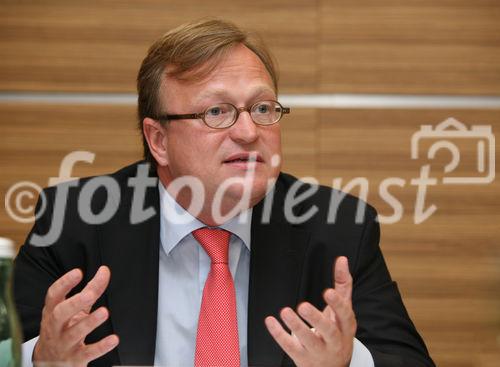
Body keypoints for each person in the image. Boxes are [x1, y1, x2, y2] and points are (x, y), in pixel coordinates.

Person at [13, 19, 435, 367]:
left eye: (263, 108)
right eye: (217, 112)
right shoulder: (76, 220)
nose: (250, 132)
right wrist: (40, 359)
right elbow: (11, 347)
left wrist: (347, 362)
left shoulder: (338, 228)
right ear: (158, 140)